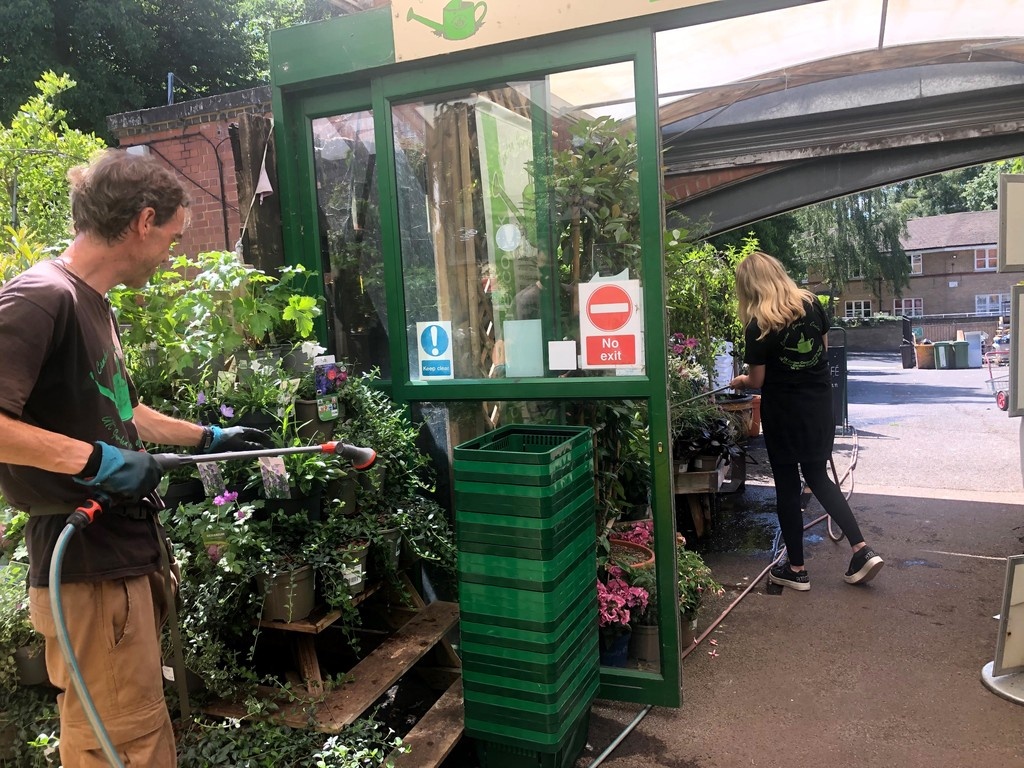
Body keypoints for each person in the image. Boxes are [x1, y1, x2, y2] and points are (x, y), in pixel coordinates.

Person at [0, 149, 271, 767]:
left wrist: (207, 439)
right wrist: (94, 462)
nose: (173, 251)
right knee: (122, 738)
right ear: (145, 220)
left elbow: (127, 410)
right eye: (173, 237)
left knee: (129, 728)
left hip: (118, 554)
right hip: (86, 564)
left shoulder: (93, 304)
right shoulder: (43, 297)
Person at [728, 251, 883, 591]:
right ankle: (861, 549)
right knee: (818, 475)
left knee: (786, 485)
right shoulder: (810, 304)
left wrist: (740, 380)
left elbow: (756, 381)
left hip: (784, 410)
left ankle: (796, 569)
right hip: (818, 405)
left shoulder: (758, 324)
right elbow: (822, 353)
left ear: (750, 286)